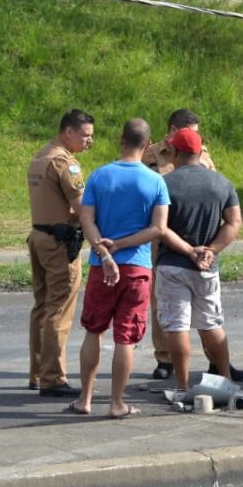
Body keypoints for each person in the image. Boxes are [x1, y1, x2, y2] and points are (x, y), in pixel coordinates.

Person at [69, 118, 170, 419]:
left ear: (120, 139)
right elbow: (158, 229)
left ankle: (84, 398)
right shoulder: (155, 181)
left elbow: (86, 219)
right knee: (126, 338)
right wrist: (123, 245)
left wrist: (104, 250)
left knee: (93, 331)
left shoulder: (100, 176)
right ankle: (116, 403)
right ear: (148, 144)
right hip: (137, 268)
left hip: (102, 267)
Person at [157, 127, 243, 395]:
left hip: (172, 263)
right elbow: (234, 221)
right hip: (207, 268)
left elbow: (159, 227)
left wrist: (188, 250)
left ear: (174, 152)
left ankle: (182, 387)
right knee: (211, 324)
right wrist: (212, 249)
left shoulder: (164, 183)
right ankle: (227, 379)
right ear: (199, 151)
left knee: (178, 325)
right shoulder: (222, 182)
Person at [142, 108, 216, 381]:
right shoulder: (151, 154)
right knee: (163, 301)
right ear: (172, 131)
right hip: (164, 233)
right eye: (188, 132)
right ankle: (165, 359)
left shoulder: (202, 153)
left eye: (196, 133)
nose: (194, 138)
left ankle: (215, 360)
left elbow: (213, 185)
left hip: (198, 234)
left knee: (206, 304)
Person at [26, 108, 94, 398]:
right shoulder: (66, 163)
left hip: (39, 236)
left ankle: (38, 372)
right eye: (86, 135)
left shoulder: (41, 157)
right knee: (59, 308)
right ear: (69, 132)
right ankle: (53, 378)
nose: (90, 141)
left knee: (41, 307)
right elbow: (81, 207)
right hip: (59, 242)